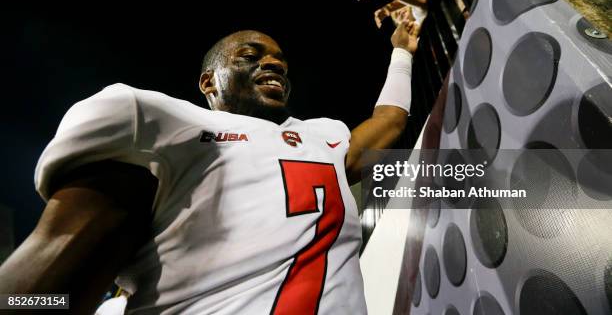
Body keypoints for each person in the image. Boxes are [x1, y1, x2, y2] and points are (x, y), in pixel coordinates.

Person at [0, 21, 420, 314]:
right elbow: (42, 287)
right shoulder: (159, 122)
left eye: (280, 62)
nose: (273, 63)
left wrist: (402, 50)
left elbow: (389, 122)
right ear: (208, 82)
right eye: (250, 56)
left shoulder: (323, 137)